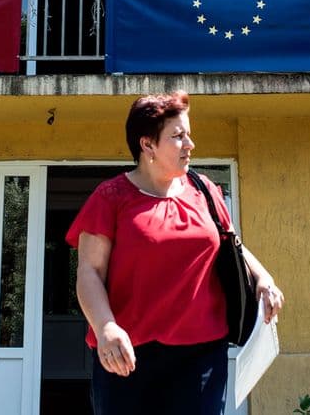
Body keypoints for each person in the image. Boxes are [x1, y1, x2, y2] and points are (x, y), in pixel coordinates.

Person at [66, 91, 284, 415]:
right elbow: (89, 273)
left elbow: (232, 245)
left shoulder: (205, 191)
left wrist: (263, 279)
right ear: (147, 145)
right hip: (128, 358)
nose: (190, 145)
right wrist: (105, 327)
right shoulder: (110, 197)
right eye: (178, 136)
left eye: (189, 135)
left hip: (202, 358)